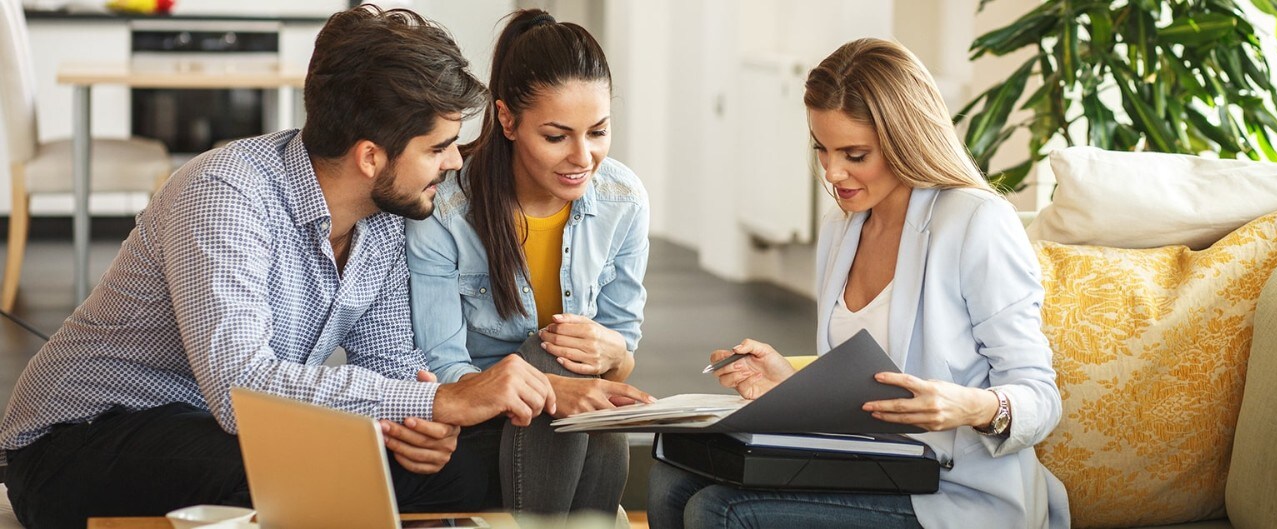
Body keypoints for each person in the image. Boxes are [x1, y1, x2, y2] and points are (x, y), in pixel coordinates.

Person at [0, 6, 558, 529]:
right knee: (314, 467)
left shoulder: (387, 216)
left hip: (223, 427)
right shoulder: (224, 193)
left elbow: (391, 366)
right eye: (438, 148)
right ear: (370, 157)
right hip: (76, 441)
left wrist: (421, 425)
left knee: (457, 466)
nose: (455, 161)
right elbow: (240, 387)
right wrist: (438, 402)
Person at [647, 38, 1070, 529]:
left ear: (905, 139)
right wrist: (791, 382)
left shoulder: (976, 222)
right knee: (669, 478)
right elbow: (866, 388)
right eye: (821, 149)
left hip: (957, 494)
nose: (832, 172)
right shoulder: (842, 226)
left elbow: (1041, 398)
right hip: (875, 470)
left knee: (719, 509)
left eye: (854, 153)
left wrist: (969, 406)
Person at [405, 9, 652, 521]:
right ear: (507, 119)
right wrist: (551, 386)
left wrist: (612, 352)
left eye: (599, 132)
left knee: (578, 372)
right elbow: (444, 367)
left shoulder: (623, 199)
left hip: (572, 426)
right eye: (557, 137)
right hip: (483, 415)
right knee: (548, 355)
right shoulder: (446, 211)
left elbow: (621, 358)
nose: (583, 157)